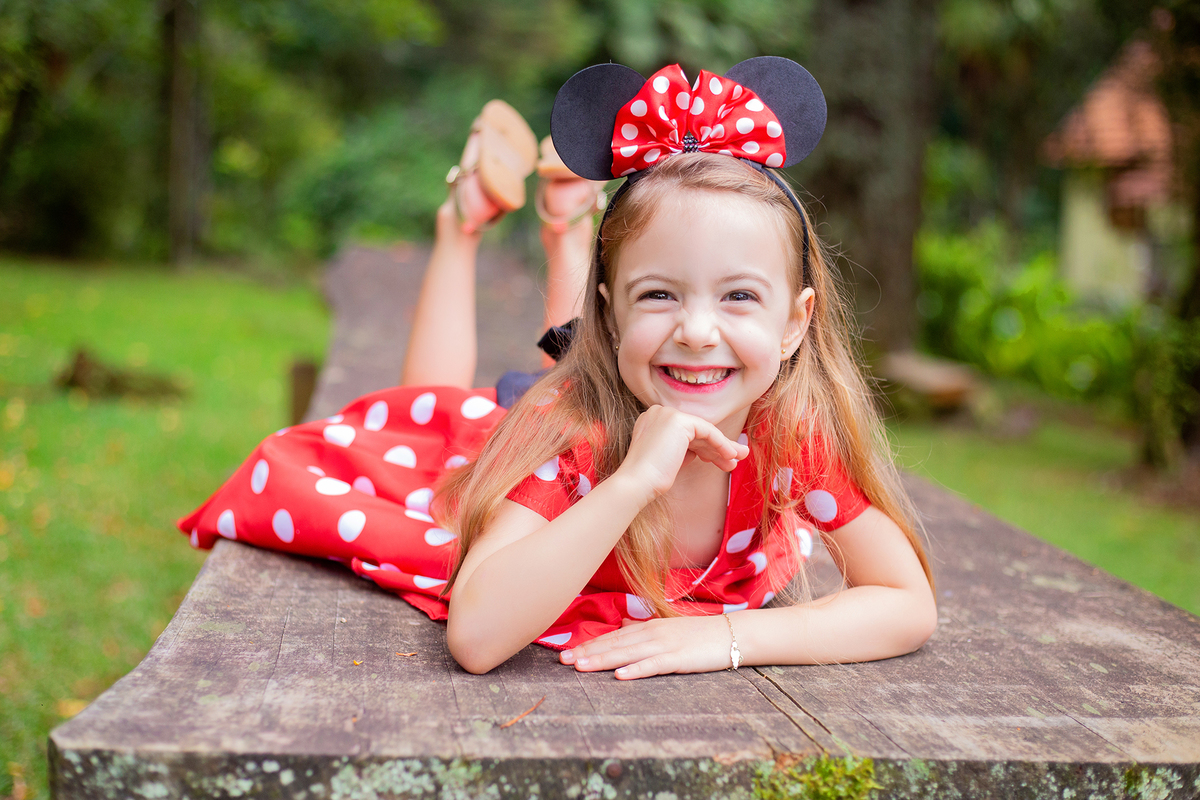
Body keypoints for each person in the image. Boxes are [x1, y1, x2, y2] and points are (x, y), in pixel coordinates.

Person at [179, 59, 937, 680]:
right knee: (430, 412)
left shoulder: (788, 437)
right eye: (660, 294)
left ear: (796, 322)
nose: (700, 331)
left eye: (740, 296)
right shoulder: (567, 432)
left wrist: (727, 639)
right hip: (532, 433)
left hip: (603, 377)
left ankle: (569, 219)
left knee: (612, 355)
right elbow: (476, 638)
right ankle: (466, 223)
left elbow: (906, 603)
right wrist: (632, 480)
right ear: (606, 313)